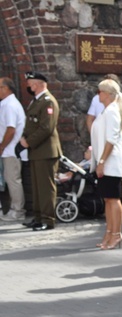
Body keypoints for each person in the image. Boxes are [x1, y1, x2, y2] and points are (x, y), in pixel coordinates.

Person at [19, 71, 61, 231]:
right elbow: (31, 124)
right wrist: (25, 138)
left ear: (38, 84)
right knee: (37, 187)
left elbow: (46, 128)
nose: (29, 86)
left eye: (31, 84)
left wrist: (27, 142)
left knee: (46, 187)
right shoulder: (37, 101)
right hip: (37, 151)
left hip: (46, 151)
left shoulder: (48, 102)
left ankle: (48, 219)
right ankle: (38, 217)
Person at [91, 79, 122, 250]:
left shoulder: (112, 111)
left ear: (106, 94)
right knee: (107, 199)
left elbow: (111, 140)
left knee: (113, 199)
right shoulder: (106, 111)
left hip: (112, 162)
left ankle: (116, 233)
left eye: (100, 91)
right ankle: (109, 231)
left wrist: (102, 161)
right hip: (105, 161)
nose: (98, 94)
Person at [0, 77, 26, 222]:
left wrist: (2, 146)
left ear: (5, 88)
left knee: (13, 179)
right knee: (10, 179)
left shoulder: (9, 105)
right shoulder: (7, 104)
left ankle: (18, 211)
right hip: (8, 149)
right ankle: (13, 209)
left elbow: (11, 129)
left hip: (11, 149)